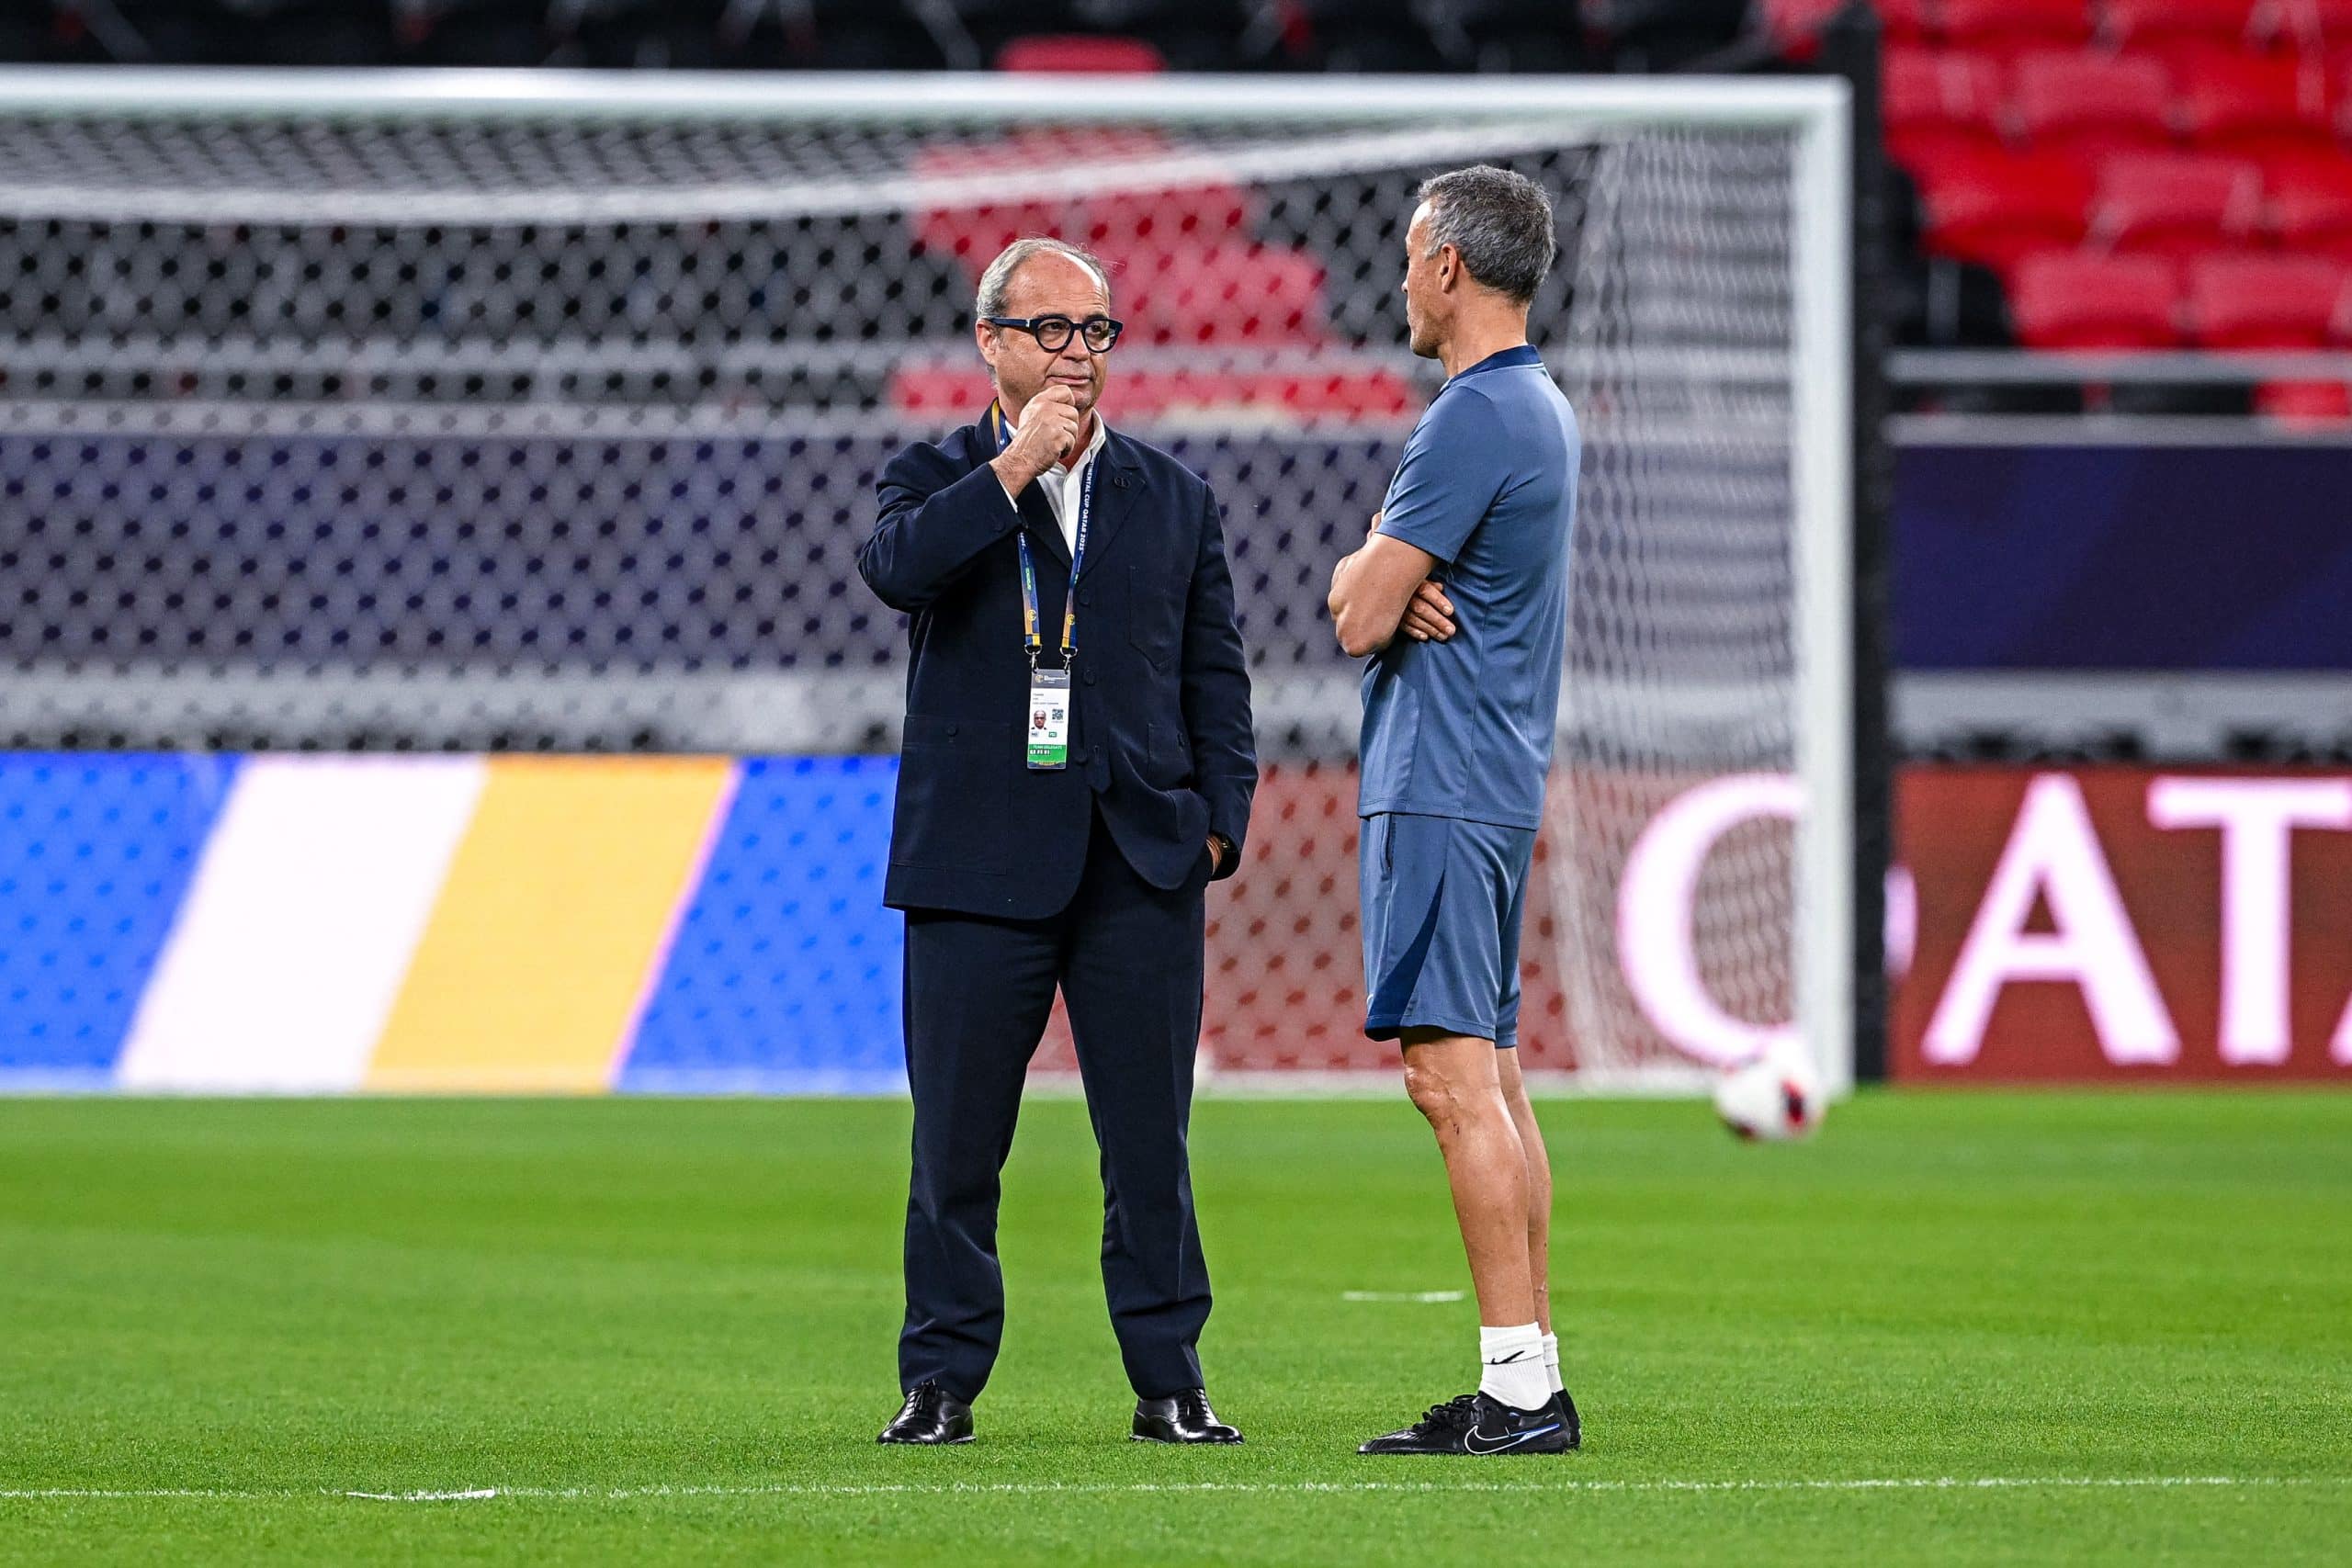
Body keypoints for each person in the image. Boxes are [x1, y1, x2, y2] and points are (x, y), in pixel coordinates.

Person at [856, 237, 1257, 1448]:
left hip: (1139, 860)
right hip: (976, 863)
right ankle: (940, 1382)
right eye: (1052, 331)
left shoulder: (1173, 495)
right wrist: (1015, 471)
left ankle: (1170, 1381)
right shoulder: (931, 475)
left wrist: (1220, 832)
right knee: (957, 1146)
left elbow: (1214, 678)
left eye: (1096, 332)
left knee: (1150, 1147)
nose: (1078, 355)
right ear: (991, 343)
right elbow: (897, 573)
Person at [1325, 167, 1583, 1457]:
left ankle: (1521, 1392)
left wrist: (1376, 559)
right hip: (1492, 779)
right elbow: (1369, 589)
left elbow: (1362, 612)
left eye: (1408, 253)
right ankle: (1533, 1375)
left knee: (1449, 1085)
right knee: (1493, 1079)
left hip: (1440, 782)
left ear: (1447, 268)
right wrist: (1375, 564)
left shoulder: (1472, 418)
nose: (1401, 281)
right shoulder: (1536, 409)